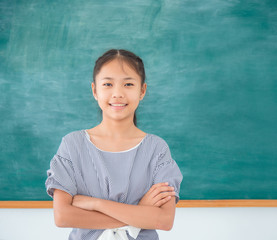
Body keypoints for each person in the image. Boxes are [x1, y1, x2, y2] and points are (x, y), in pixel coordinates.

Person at [45, 49, 183, 240]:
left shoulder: (157, 149)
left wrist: (95, 204)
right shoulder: (72, 145)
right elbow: (63, 216)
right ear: (95, 90)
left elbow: (164, 220)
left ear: (142, 90)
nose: (117, 93)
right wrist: (140, 213)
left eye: (128, 84)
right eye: (108, 84)